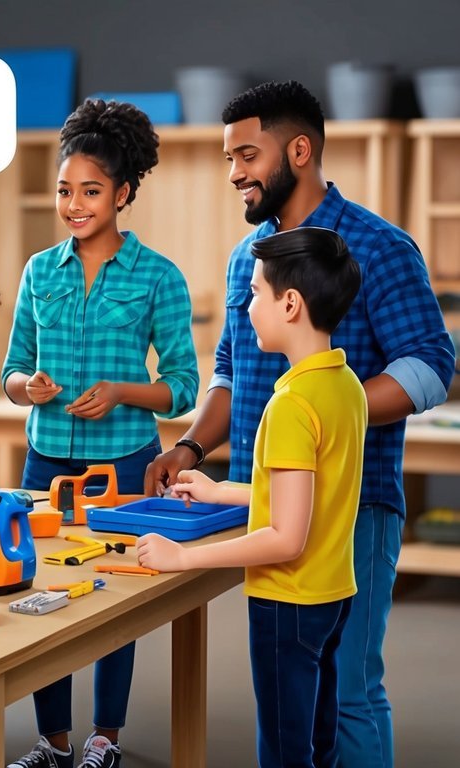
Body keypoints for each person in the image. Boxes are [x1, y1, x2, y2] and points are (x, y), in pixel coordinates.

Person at [143, 81, 456, 767]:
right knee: (290, 696)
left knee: (346, 691)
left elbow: (432, 362)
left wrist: (324, 416)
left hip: (353, 505)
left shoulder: (379, 247)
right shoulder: (244, 260)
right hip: (265, 496)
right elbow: (228, 367)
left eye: (245, 155)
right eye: (228, 158)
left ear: (299, 149)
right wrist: (194, 445)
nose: (234, 174)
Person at [2, 100, 199, 768]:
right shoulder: (36, 272)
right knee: (43, 595)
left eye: (89, 191)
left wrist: (120, 392)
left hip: (124, 465)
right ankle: (51, 742)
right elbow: (8, 370)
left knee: (114, 599)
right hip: (44, 465)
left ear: (121, 193)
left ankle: (102, 740)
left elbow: (182, 386)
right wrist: (24, 387)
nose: (74, 204)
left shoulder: (158, 277)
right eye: (64, 190)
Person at [140, 226, 364, 767]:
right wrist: (224, 491)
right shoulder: (344, 384)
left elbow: (286, 537)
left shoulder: (289, 405)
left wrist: (183, 557)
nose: (246, 305)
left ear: (290, 304)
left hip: (287, 602)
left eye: (256, 293)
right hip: (332, 594)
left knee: (285, 752)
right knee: (319, 740)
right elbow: (308, 495)